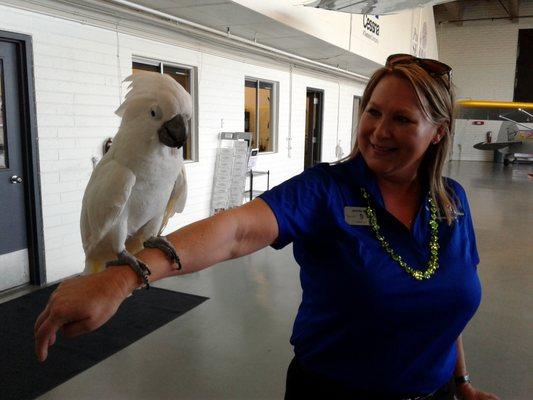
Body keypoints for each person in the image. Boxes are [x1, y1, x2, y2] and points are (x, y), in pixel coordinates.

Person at [35, 54, 499, 400]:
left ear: (438, 131)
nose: (379, 130)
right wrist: (121, 277)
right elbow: (235, 230)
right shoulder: (325, 191)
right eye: (372, 111)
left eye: (402, 119)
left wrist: (462, 383)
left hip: (438, 393)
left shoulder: (452, 202)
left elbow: (445, 298)